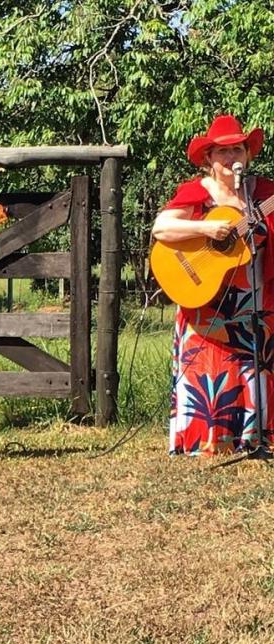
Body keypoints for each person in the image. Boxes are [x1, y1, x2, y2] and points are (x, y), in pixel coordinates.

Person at [151, 114, 274, 455]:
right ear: (208, 159)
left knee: (255, 365)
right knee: (211, 369)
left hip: (256, 298)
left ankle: (253, 438)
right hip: (206, 299)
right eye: (222, 152)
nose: (232, 157)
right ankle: (206, 441)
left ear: (248, 155)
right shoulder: (197, 192)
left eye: (238, 149)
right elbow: (162, 229)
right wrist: (207, 229)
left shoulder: (264, 193)